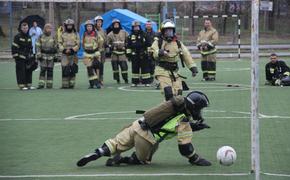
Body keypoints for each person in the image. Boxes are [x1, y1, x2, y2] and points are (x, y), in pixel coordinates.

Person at [77, 90, 211, 167]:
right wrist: (195, 159)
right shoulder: (184, 122)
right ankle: (126, 160)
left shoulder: (172, 107)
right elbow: (184, 148)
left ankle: (99, 152)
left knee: (115, 143)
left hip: (138, 124)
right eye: (200, 109)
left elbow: (168, 123)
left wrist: (194, 127)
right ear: (194, 108)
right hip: (146, 138)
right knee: (144, 159)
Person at [151, 19, 198, 97]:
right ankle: (168, 108)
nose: (169, 33)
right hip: (162, 71)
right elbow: (153, 52)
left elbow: (186, 55)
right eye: (167, 31)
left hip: (175, 72)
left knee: (178, 93)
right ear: (163, 32)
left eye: (171, 31)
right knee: (168, 93)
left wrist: (192, 67)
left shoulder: (178, 43)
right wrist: (160, 52)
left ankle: (174, 108)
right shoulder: (158, 42)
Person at [12, 21, 37, 90]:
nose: (25, 29)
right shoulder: (17, 37)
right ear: (21, 28)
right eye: (24, 28)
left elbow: (31, 47)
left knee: (29, 70)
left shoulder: (29, 37)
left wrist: (32, 55)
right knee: (21, 71)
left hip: (27, 57)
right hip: (20, 58)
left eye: (26, 28)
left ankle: (29, 85)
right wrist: (17, 56)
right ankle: (22, 86)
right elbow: (14, 48)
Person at [126, 20, 151, 87]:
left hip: (143, 54)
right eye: (134, 27)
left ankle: (146, 82)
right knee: (135, 69)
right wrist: (128, 55)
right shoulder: (130, 36)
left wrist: (149, 54)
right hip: (134, 55)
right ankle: (135, 82)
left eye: (137, 27)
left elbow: (149, 44)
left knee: (145, 69)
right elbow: (128, 46)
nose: (136, 28)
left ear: (139, 27)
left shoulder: (145, 34)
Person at [58, 19, 80, 89]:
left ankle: (72, 83)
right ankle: (65, 84)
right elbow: (59, 43)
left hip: (73, 54)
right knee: (64, 68)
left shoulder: (76, 34)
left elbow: (78, 44)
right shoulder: (62, 34)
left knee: (73, 68)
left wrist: (72, 50)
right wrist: (64, 50)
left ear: (73, 26)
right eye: (68, 25)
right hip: (65, 54)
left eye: (71, 25)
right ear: (66, 26)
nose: (69, 26)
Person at [35, 23, 58, 89]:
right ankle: (41, 84)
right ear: (45, 29)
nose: (49, 30)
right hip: (43, 56)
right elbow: (38, 46)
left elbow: (56, 47)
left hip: (51, 56)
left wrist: (57, 55)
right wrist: (39, 54)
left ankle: (49, 85)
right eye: (48, 28)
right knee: (43, 70)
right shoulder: (40, 36)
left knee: (50, 70)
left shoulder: (53, 37)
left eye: (50, 28)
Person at [82, 20, 104, 89]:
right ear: (86, 27)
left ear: (92, 27)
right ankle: (92, 83)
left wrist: (98, 49)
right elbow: (82, 43)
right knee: (89, 68)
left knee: (96, 68)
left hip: (95, 54)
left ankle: (96, 82)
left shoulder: (96, 34)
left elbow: (101, 41)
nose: (89, 27)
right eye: (87, 26)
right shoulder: (84, 34)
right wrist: (85, 49)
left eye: (90, 26)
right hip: (87, 54)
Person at [107, 19, 129, 84]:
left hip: (122, 53)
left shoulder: (124, 32)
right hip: (114, 54)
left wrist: (125, 46)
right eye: (115, 25)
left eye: (117, 24)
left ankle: (125, 79)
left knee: (124, 67)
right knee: (115, 68)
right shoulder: (110, 34)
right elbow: (107, 43)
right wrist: (111, 47)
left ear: (119, 25)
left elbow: (129, 40)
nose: (116, 26)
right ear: (113, 26)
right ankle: (117, 79)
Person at [94, 16, 107, 86]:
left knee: (101, 65)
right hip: (95, 51)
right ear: (95, 22)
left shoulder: (103, 30)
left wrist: (106, 45)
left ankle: (101, 79)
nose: (99, 23)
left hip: (102, 51)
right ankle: (95, 79)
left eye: (100, 22)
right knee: (95, 65)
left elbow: (105, 40)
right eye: (98, 22)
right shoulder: (93, 31)